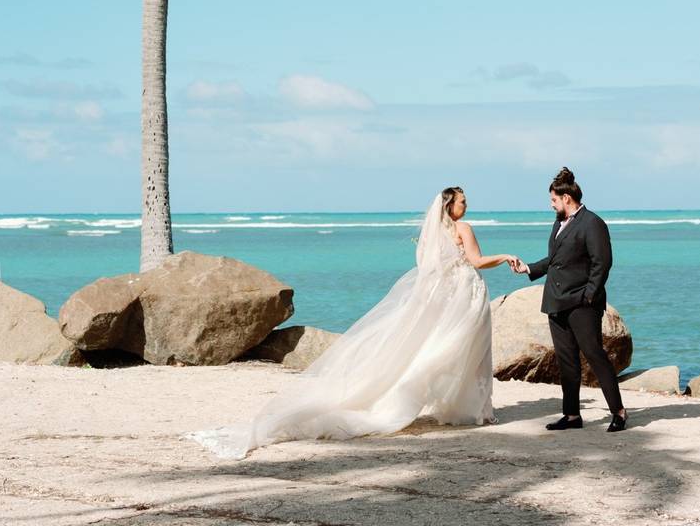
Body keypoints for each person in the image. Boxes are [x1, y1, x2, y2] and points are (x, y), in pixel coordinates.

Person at [187, 187, 519, 459]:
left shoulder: (433, 233)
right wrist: (505, 257)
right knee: (468, 351)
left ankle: (458, 408)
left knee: (444, 349)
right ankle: (470, 411)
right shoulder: (464, 229)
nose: (467, 204)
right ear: (451, 206)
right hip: (464, 296)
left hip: (444, 296)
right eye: (463, 200)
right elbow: (475, 261)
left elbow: (430, 268)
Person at [512, 167, 628, 433]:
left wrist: (589, 296)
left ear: (566, 198)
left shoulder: (592, 223)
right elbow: (555, 261)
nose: (551, 204)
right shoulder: (558, 222)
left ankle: (619, 412)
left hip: (582, 304)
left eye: (554, 200)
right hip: (556, 301)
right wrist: (528, 268)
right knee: (567, 362)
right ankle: (572, 415)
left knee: (595, 356)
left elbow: (602, 263)